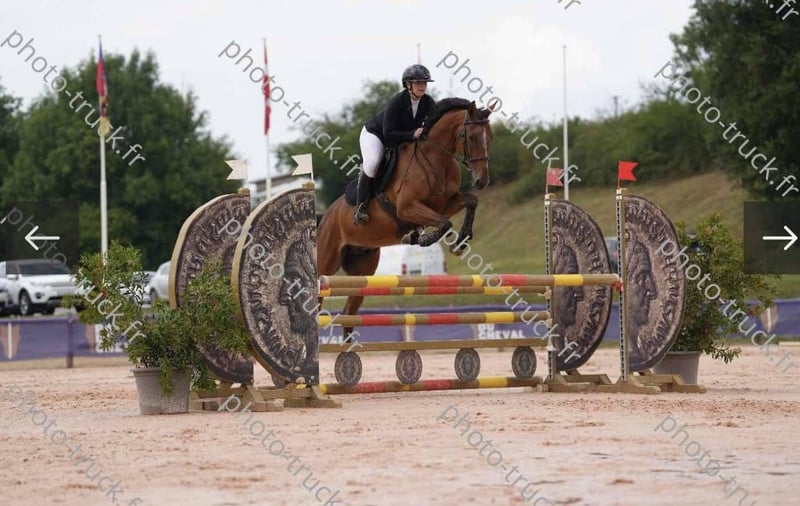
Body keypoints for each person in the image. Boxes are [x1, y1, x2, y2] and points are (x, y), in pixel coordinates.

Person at [353, 64, 436, 225]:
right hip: (376, 134)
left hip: (402, 138)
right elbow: (388, 133)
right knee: (373, 163)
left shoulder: (428, 102)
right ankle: (360, 207)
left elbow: (436, 119)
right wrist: (412, 134)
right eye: (418, 82)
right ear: (408, 85)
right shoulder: (397, 102)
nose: (422, 86)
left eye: (424, 83)